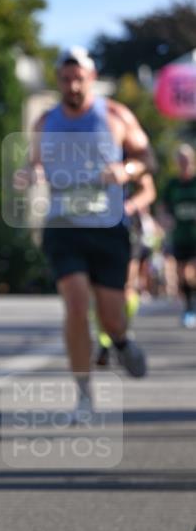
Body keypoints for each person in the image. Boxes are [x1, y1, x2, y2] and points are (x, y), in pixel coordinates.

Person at [18, 46, 152, 419]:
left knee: (111, 316)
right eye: (65, 78)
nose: (72, 85)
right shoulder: (45, 121)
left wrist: (125, 171)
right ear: (59, 80)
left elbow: (147, 158)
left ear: (91, 78)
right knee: (76, 305)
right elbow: (36, 165)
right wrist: (32, 176)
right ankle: (84, 394)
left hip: (108, 227)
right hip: (64, 226)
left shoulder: (114, 115)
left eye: (79, 78)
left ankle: (121, 340)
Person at [95, 172, 156, 366]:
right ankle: (104, 342)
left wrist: (130, 206)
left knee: (127, 288)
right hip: (93, 229)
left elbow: (148, 190)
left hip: (126, 230)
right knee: (97, 290)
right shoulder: (82, 149)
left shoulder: (127, 149)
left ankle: (121, 333)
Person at [161, 144, 196, 328]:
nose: (184, 163)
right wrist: (165, 219)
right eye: (180, 159)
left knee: (192, 272)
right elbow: (163, 207)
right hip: (180, 236)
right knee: (182, 274)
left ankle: (192, 304)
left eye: (186, 159)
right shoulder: (172, 185)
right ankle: (189, 306)